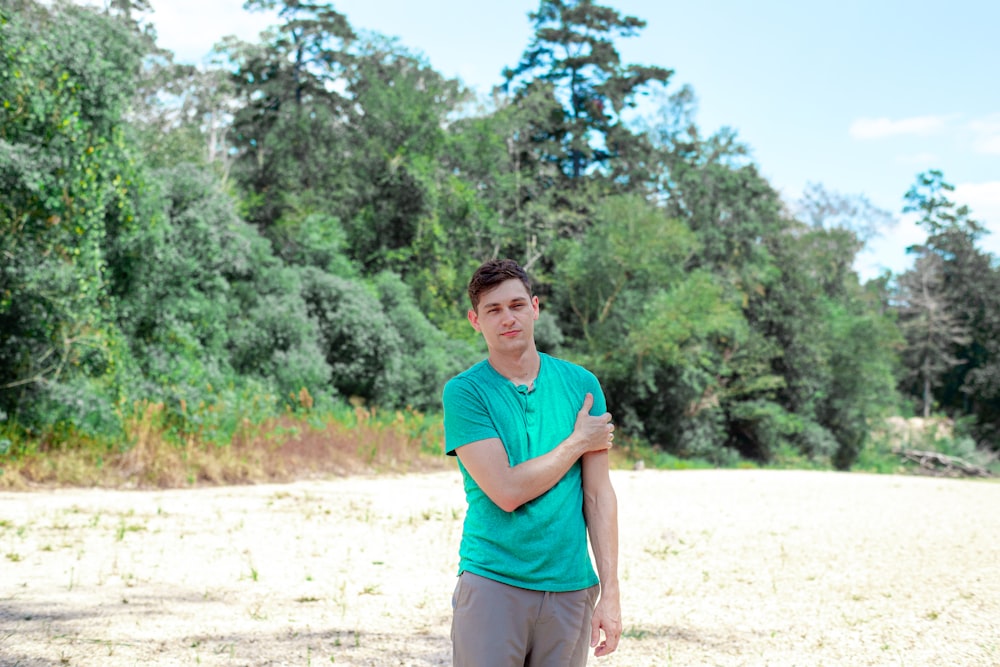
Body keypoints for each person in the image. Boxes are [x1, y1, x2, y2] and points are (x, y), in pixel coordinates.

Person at [442, 258, 621, 666]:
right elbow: (506, 490)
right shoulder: (466, 393)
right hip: (493, 582)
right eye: (493, 310)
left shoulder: (582, 385)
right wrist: (577, 443)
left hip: (572, 589)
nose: (508, 318)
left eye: (517, 305)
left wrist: (610, 594)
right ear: (475, 320)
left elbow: (598, 495)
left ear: (535, 308)